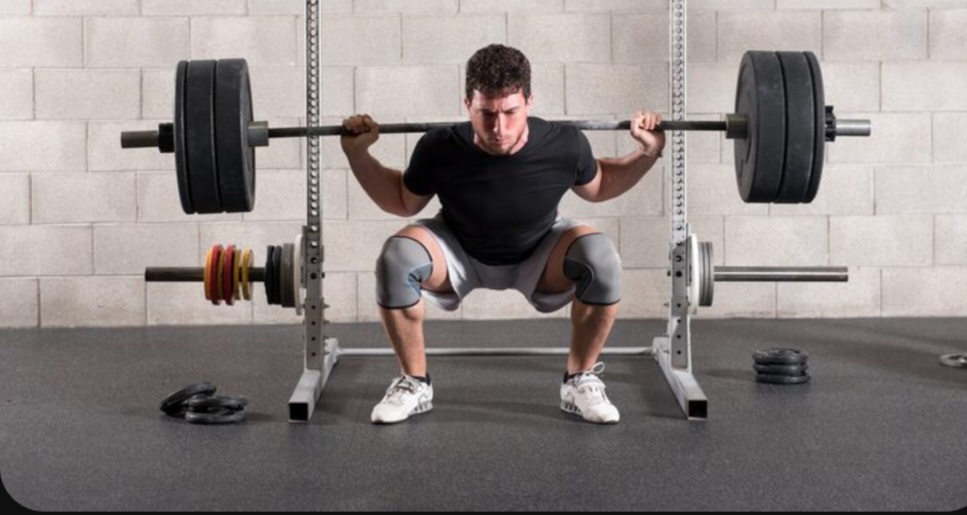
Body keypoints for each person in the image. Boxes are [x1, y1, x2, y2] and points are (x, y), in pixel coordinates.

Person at [340, 43, 665, 425]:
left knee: (601, 256)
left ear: (529, 102)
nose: (499, 128)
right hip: (458, 252)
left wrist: (649, 152)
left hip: (539, 254)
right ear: (468, 105)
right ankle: (414, 382)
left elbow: (601, 184)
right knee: (397, 257)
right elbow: (401, 199)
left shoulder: (564, 143)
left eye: (510, 112)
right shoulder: (439, 147)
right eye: (486, 113)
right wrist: (358, 155)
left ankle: (579, 380)